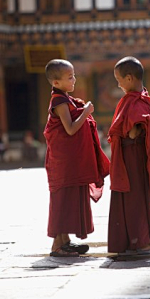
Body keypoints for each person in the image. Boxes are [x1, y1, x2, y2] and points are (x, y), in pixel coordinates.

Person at [44, 59, 110, 257]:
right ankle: (57, 245)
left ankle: (65, 241)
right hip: (64, 162)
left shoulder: (65, 98)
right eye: (70, 77)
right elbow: (70, 129)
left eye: (74, 75)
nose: (74, 80)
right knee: (63, 198)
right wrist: (86, 112)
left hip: (71, 160)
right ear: (56, 83)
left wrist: (82, 110)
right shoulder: (59, 101)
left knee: (70, 197)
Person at [107, 56, 150, 258]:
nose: (118, 84)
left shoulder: (134, 102)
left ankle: (139, 243)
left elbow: (133, 131)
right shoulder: (143, 98)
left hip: (132, 158)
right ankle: (145, 241)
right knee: (140, 197)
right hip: (136, 158)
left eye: (119, 79)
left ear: (129, 78)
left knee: (134, 199)